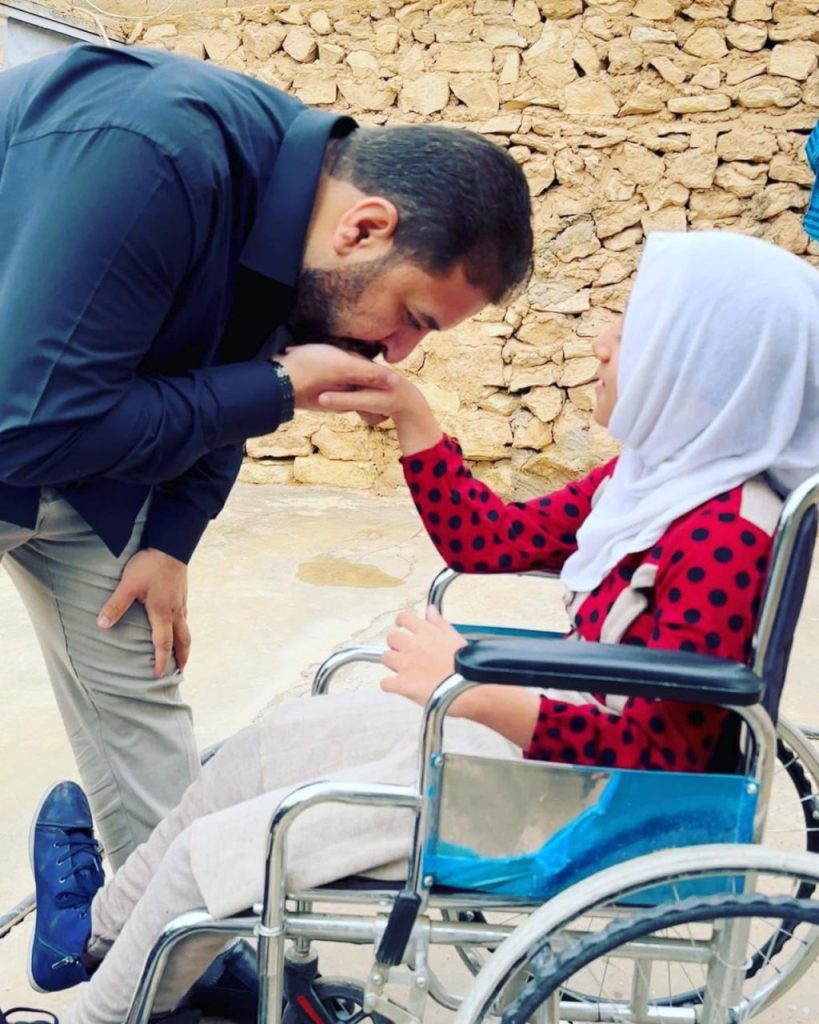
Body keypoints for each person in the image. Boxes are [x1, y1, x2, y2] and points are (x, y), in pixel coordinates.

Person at [14, 230, 819, 1024]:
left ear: (709, 364)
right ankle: (92, 937)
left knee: (219, 855)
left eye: (634, 327)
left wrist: (471, 685)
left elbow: (665, 755)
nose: (600, 342)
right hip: (543, 751)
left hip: (589, 802)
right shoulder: (656, 482)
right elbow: (493, 541)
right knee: (258, 752)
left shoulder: (722, 535)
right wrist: (409, 411)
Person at [0, 38, 533, 888]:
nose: (400, 352)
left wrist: (171, 537)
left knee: (140, 692)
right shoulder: (155, 151)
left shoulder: (295, 209)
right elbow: (28, 427)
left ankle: (163, 935)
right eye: (413, 317)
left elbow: (234, 348)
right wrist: (280, 388)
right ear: (365, 228)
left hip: (81, 461)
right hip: (30, 428)